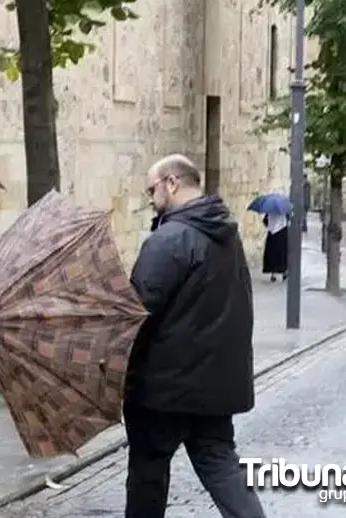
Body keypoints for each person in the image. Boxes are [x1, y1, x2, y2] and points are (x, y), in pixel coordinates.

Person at [125, 154, 265, 518]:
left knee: (148, 476)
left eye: (151, 189)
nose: (150, 198)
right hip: (215, 386)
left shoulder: (169, 239)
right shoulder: (226, 234)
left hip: (162, 390)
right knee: (223, 468)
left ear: (172, 183)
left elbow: (138, 311)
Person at [262, 212, 288, 282]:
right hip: (282, 234)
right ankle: (284, 272)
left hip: (272, 234)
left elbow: (265, 222)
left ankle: (273, 274)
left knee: (272, 254)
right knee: (282, 253)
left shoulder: (270, 211)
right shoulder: (285, 211)